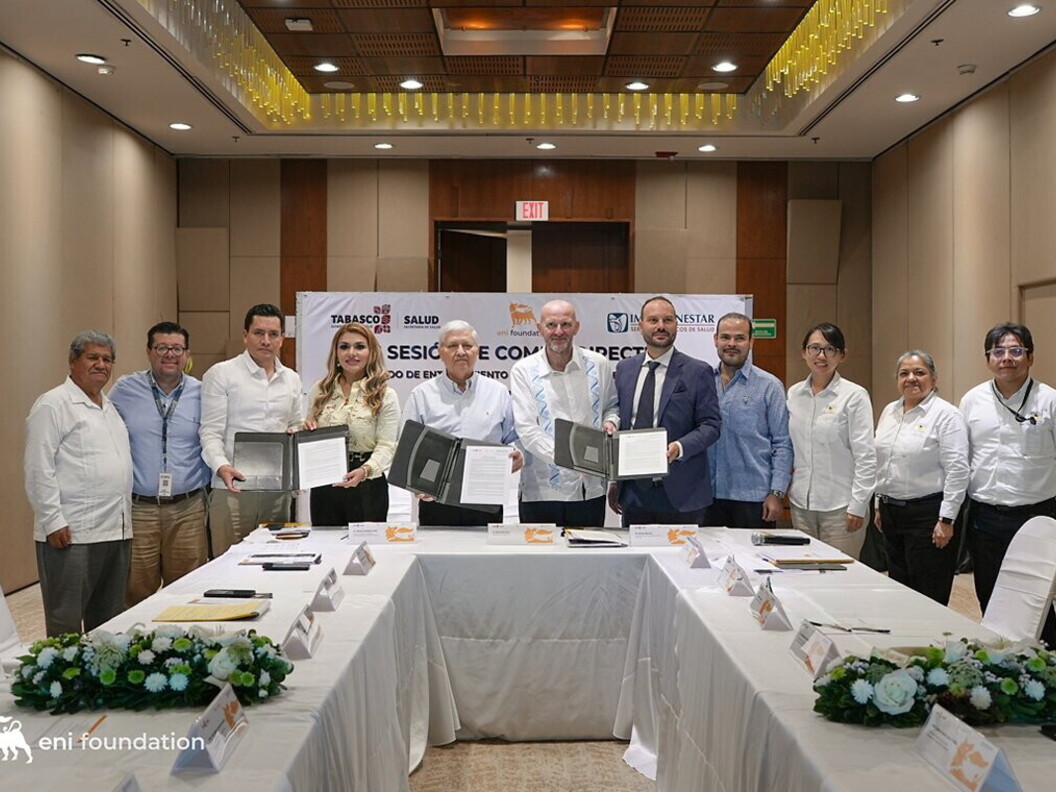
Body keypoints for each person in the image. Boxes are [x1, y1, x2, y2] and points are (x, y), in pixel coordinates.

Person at [24, 331, 133, 635]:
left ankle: (101, 681)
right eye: (93, 357)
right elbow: (37, 468)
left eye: (107, 359)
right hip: (71, 532)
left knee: (109, 621)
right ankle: (64, 681)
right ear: (73, 361)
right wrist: (52, 520)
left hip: (115, 529)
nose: (101, 364)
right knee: (65, 621)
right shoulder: (53, 405)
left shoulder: (109, 408)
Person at [959, 322, 1056, 641]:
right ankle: (1001, 664)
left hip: (1037, 515)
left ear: (1030, 357)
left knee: (1038, 600)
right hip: (985, 516)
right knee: (992, 596)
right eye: (998, 352)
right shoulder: (972, 400)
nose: (1007, 358)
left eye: (1016, 351)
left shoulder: (1049, 401)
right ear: (988, 358)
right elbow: (962, 458)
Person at [110, 321, 211, 605]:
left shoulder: (203, 392)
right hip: (139, 508)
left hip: (188, 508)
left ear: (187, 354)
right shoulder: (124, 390)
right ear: (149, 351)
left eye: (177, 348)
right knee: (134, 592)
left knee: (187, 593)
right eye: (162, 347)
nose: (170, 354)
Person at [200, 304, 304, 555]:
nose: (266, 340)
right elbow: (210, 431)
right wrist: (222, 467)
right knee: (227, 567)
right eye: (258, 333)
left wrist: (300, 432)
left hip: (277, 491)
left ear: (282, 338)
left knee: (274, 564)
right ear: (245, 335)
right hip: (233, 489)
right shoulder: (222, 373)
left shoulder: (292, 378)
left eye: (273, 334)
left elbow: (294, 425)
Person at [610, 296, 722, 525]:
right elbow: (620, 417)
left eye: (667, 320)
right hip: (634, 493)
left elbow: (711, 425)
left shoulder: (698, 371)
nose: (660, 326)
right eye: (653, 320)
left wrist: (680, 447)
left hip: (682, 493)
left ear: (676, 325)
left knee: (681, 560)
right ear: (640, 325)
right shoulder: (624, 369)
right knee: (634, 560)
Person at [402, 320, 522, 526]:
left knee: (486, 557)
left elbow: (513, 438)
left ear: (478, 351)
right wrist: (415, 482)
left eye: (467, 345)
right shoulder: (422, 395)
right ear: (440, 352)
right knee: (437, 556)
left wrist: (517, 454)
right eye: (452, 346)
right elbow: (406, 448)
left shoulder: (498, 392)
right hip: (436, 498)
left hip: (485, 496)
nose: (461, 352)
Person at [511, 299, 618, 527]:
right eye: (551, 325)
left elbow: (612, 406)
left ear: (576, 327)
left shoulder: (599, 364)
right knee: (540, 562)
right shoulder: (523, 371)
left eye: (566, 324)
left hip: (589, 491)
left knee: (588, 560)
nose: (558, 332)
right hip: (540, 493)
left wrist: (611, 423)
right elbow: (528, 431)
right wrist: (574, 459)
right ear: (540, 329)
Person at [873, 351, 969, 604]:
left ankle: (932, 643)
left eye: (919, 372)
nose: (911, 379)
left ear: (934, 378)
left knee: (928, 593)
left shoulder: (946, 414)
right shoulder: (889, 411)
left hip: (928, 516)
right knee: (899, 591)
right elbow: (883, 462)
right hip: (892, 512)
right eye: (904, 373)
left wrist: (947, 519)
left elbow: (958, 470)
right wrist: (878, 505)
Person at [786, 322, 876, 558]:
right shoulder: (794, 394)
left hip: (841, 507)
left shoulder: (854, 396)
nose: (821, 355)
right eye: (814, 348)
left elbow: (866, 456)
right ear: (804, 352)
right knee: (804, 575)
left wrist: (858, 505)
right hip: (801, 505)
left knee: (839, 580)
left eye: (830, 349)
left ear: (842, 355)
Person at [305, 322, 400, 525]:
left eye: (359, 346)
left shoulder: (385, 395)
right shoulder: (320, 390)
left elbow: (387, 445)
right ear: (336, 353)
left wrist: (365, 470)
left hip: (368, 483)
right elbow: (308, 430)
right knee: (327, 548)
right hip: (325, 482)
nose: (351, 353)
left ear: (371, 352)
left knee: (366, 552)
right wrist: (303, 431)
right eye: (344, 346)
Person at [703, 312, 792, 529]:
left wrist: (776, 493)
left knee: (753, 563)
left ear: (751, 342)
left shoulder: (769, 386)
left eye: (739, 338)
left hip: (754, 500)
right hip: (706, 498)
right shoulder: (702, 381)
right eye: (725, 337)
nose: (731, 344)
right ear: (715, 339)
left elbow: (782, 443)